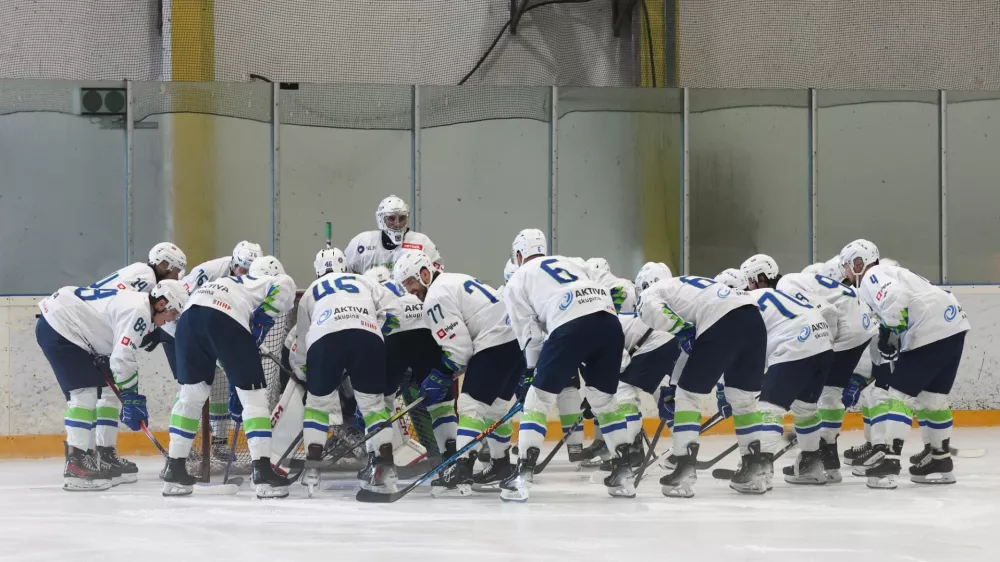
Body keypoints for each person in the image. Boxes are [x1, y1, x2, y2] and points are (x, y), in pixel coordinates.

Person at [500, 228, 631, 501]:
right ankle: (623, 474)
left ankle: (523, 474)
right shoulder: (572, 261)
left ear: (519, 255)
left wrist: (530, 374)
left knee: (538, 400)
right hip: (609, 322)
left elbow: (531, 336)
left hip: (570, 322)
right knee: (604, 401)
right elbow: (620, 288)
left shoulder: (517, 279)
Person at [160, 256, 296, 498]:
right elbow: (285, 284)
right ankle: (263, 473)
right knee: (254, 399)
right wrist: (265, 316)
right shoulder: (266, 280)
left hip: (189, 320)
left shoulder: (228, 283)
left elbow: (220, 346)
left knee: (190, 397)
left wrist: (236, 384)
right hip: (224, 319)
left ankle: (175, 470)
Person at [841, 239, 971, 488]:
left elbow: (894, 298)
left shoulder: (873, 275)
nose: (846, 271)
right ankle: (940, 459)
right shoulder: (894, 272)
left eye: (848, 265)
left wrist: (890, 332)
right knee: (932, 399)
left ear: (859, 262)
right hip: (954, 326)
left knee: (898, 397)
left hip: (929, 331)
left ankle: (889, 461)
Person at [393, 250, 523, 496]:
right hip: (514, 340)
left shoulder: (436, 296)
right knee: (496, 408)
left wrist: (441, 373)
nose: (409, 291)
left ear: (424, 273)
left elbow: (460, 350)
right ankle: (501, 465)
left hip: (494, 342)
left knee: (469, 405)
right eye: (404, 285)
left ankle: (460, 467)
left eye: (410, 282)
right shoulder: (454, 279)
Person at [35, 280, 187, 490]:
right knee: (84, 394)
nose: (172, 319)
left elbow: (119, 353)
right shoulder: (139, 311)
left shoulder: (139, 304)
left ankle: (101, 457)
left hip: (72, 330)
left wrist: (128, 393)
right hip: (60, 328)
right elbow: (122, 358)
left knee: (105, 391)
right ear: (161, 304)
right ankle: (76, 465)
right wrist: (131, 396)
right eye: (173, 313)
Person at [637, 269, 766, 497]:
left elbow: (657, 313)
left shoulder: (651, 294)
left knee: (687, 397)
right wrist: (674, 382)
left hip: (722, 318)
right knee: (743, 400)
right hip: (754, 319)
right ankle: (755, 470)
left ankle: (684, 470)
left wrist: (675, 387)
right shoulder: (695, 286)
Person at [290, 248, 402, 495]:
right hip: (367, 336)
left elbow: (302, 339)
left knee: (317, 406)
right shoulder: (364, 280)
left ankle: (312, 471)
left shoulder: (310, 291)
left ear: (317, 270)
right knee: (373, 406)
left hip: (324, 338)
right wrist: (375, 329)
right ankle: (385, 469)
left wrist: (303, 372)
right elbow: (395, 310)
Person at [83, 242, 187, 475]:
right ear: (163, 264)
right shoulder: (147, 279)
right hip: (102, 332)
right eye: (176, 271)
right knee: (107, 395)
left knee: (106, 395)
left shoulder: (139, 271)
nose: (177, 277)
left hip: (100, 328)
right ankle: (103, 453)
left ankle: (103, 452)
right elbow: (127, 307)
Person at [777, 259, 878, 481]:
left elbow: (826, 312)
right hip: (863, 326)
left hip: (844, 329)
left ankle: (820, 455)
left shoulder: (785, 286)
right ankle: (829, 460)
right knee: (831, 392)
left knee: (818, 395)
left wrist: (823, 347)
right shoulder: (803, 281)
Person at [741, 254, 837, 487]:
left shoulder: (744, 301)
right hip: (824, 344)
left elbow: (744, 351)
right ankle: (811, 465)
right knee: (805, 408)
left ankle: (758, 470)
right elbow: (829, 311)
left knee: (768, 408)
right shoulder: (786, 291)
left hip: (795, 345)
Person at [161, 240, 263, 454]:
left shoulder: (254, 282)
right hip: (177, 326)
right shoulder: (210, 271)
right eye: (242, 269)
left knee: (220, 384)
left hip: (215, 329)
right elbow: (177, 298)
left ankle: (219, 441)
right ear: (233, 262)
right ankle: (180, 450)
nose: (244, 274)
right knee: (190, 390)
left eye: (249, 271)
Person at [345, 195, 442, 274]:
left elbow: (436, 278)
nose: (397, 224)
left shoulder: (422, 243)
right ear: (381, 219)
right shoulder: (361, 243)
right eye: (391, 218)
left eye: (402, 218)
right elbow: (344, 274)